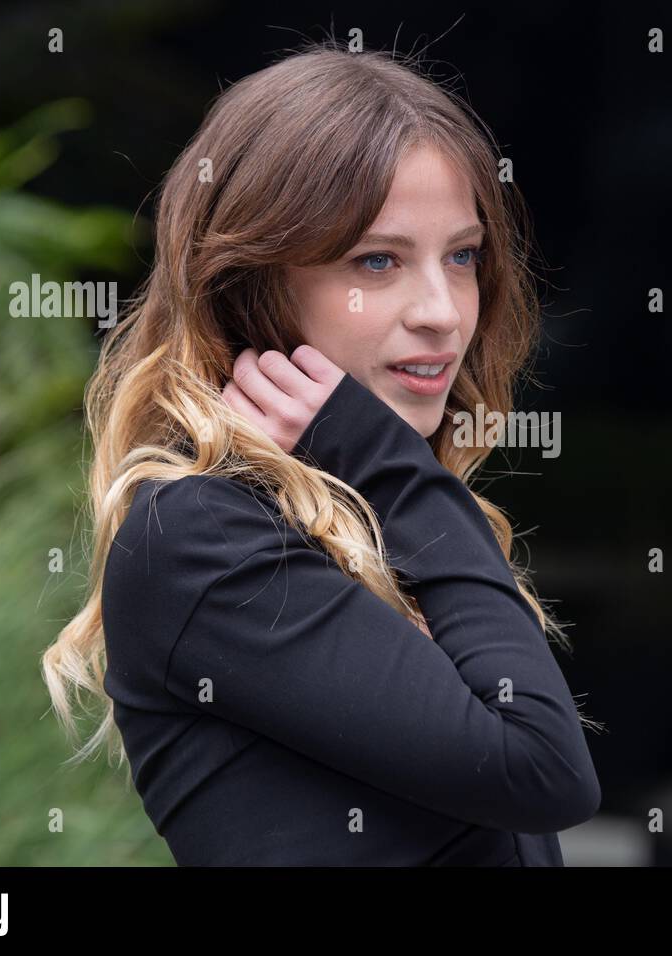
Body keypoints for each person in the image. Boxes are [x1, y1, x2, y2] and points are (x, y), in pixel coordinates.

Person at [41, 41, 602, 866]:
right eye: (376, 261)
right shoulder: (202, 536)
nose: (443, 312)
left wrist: (392, 479)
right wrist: (398, 476)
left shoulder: (378, 509)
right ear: (253, 283)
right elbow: (544, 767)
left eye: (462, 255)